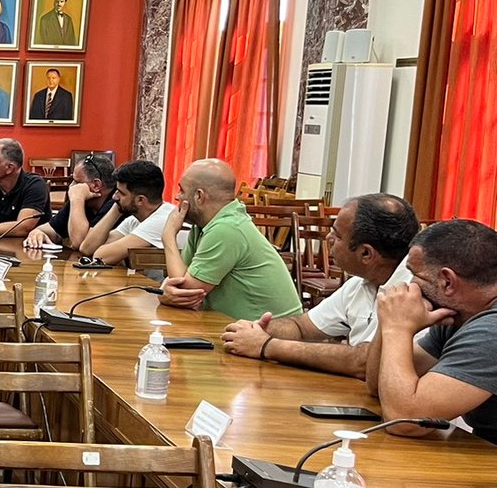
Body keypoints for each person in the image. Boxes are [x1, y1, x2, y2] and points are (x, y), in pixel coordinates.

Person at [223, 194, 417, 378]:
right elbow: (302, 327)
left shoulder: (416, 292)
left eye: (337, 235)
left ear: (366, 254)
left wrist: (267, 345)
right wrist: (258, 331)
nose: (328, 238)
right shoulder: (359, 284)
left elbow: (366, 362)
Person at [368, 219, 497, 442]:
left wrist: (397, 328)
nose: (409, 285)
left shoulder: (491, 331)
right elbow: (378, 385)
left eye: (415, 275)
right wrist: (389, 319)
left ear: (447, 281)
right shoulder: (461, 315)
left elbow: (406, 421)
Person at [160, 158, 301, 322]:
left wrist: (168, 236)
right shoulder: (203, 225)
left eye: (182, 190)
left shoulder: (227, 228)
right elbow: (180, 281)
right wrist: (165, 292)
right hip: (238, 327)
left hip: (275, 331)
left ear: (199, 196)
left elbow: (184, 291)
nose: (177, 197)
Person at [79, 159, 176, 265]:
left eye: (121, 193)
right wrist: (117, 208)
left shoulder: (163, 220)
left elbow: (100, 257)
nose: (114, 196)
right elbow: (87, 248)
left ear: (140, 200)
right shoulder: (135, 220)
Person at [25, 155, 115, 250]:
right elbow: (51, 229)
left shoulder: (116, 202)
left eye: (76, 182)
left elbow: (79, 243)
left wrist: (77, 199)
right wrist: (37, 233)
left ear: (96, 185)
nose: (71, 186)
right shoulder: (85, 201)